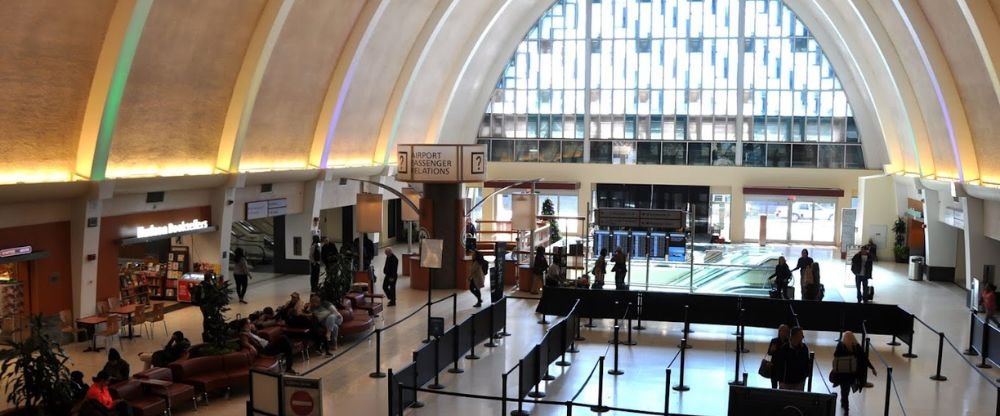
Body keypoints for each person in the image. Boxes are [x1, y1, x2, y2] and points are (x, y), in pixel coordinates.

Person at [830, 331, 876, 412]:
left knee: (843, 388)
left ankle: (844, 403)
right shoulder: (856, 346)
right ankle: (845, 403)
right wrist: (872, 368)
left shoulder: (840, 345)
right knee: (847, 388)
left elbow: (835, 355)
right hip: (851, 373)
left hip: (841, 372)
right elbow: (864, 359)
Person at [772, 327, 810, 391]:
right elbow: (779, 365)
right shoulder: (784, 348)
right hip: (786, 382)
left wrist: (805, 375)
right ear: (793, 336)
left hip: (800, 382)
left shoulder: (804, 348)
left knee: (798, 399)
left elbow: (806, 362)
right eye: (800, 335)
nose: (803, 337)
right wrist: (781, 381)